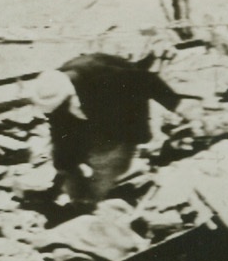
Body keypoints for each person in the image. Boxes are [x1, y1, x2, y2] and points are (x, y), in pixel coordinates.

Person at [28, 53, 185, 208]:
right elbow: (60, 131)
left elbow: (147, 80)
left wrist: (179, 106)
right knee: (68, 165)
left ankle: (92, 204)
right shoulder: (53, 96)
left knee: (107, 161)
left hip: (121, 116)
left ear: (70, 96)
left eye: (63, 105)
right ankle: (78, 203)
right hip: (91, 117)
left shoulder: (103, 77)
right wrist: (63, 164)